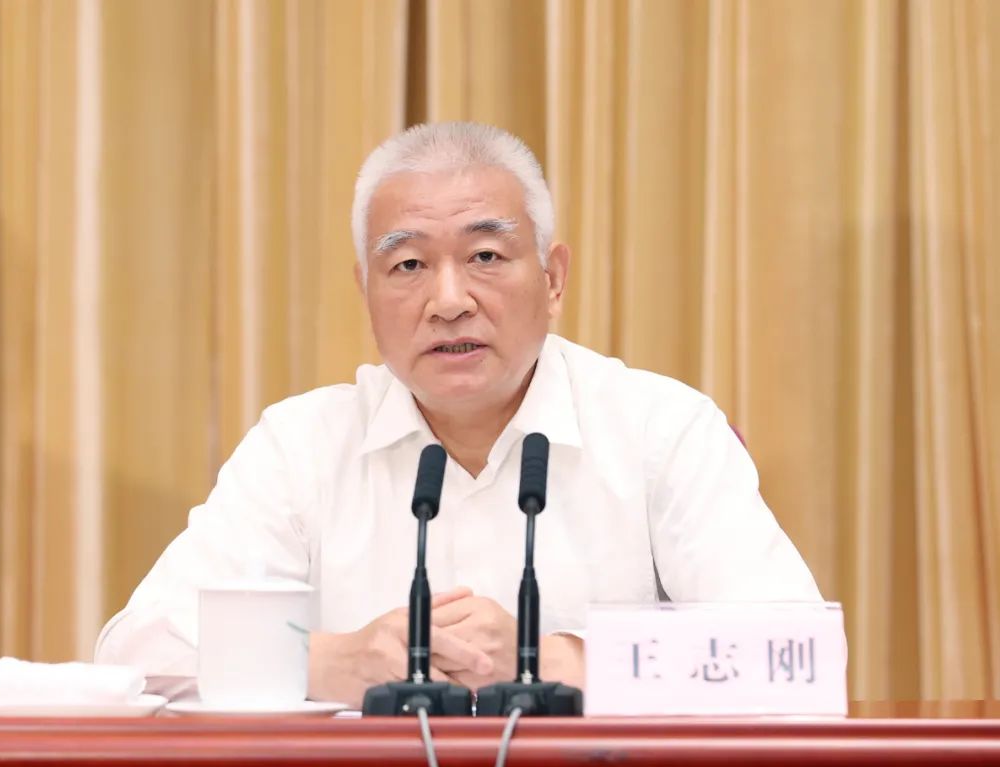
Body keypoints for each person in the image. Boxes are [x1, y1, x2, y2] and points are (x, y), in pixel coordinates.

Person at [95, 121, 821, 707]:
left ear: (553, 277)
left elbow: (793, 655)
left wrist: (554, 662)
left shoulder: (663, 429)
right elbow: (135, 652)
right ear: (366, 291)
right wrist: (329, 662)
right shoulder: (301, 446)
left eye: (485, 256)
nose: (448, 301)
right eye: (408, 265)